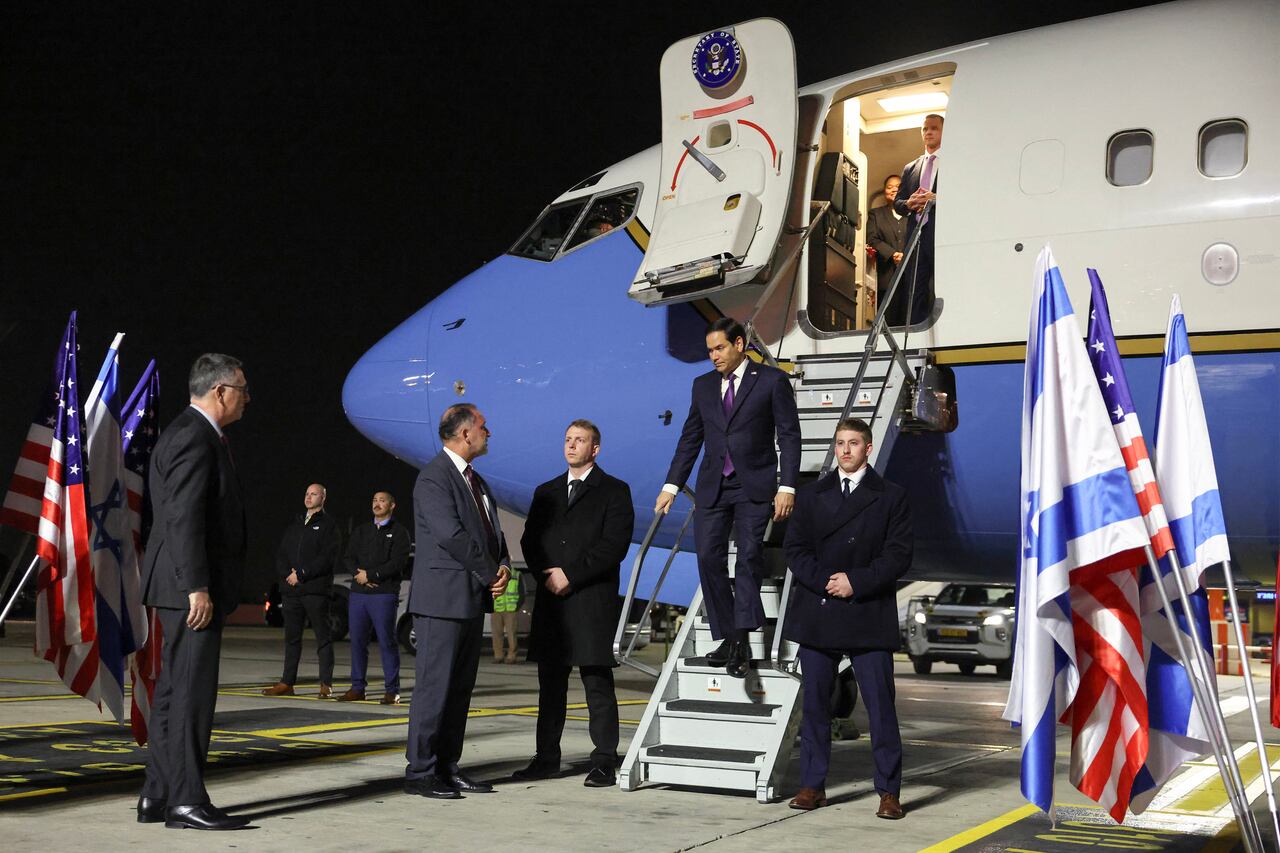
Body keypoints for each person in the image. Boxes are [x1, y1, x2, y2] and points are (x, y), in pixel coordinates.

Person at [136, 353, 250, 830]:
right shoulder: (194, 437)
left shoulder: (192, 434)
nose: (247, 398)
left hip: (179, 586)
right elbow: (182, 519)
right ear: (220, 391)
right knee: (191, 697)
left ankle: (158, 795)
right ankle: (185, 801)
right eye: (243, 388)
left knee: (173, 694)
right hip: (188, 591)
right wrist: (197, 587)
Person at [656, 317, 801, 679]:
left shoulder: (771, 381)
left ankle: (741, 643)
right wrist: (672, 485)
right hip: (713, 485)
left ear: (739, 344)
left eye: (719, 348)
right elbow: (691, 438)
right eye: (709, 351)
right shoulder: (702, 386)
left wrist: (788, 486)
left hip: (754, 485)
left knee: (749, 556)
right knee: (707, 557)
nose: (713, 357)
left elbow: (789, 435)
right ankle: (732, 634)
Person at [782, 418, 912, 819]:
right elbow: (795, 550)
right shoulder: (812, 494)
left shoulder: (891, 496)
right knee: (816, 707)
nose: (845, 450)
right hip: (820, 610)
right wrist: (827, 581)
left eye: (853, 443)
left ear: (868, 448)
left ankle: (889, 792)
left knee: (881, 709)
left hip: (867, 611)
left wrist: (856, 582)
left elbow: (898, 555)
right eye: (840, 443)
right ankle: (812, 786)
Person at [516, 419, 634, 787]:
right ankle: (546, 757)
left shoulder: (614, 491)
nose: (571, 445)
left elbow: (613, 546)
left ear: (594, 449)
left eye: (579, 440)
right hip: (553, 604)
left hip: (590, 600)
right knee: (550, 687)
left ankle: (603, 760)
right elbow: (529, 541)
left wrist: (570, 574)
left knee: (597, 685)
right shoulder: (546, 491)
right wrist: (546, 575)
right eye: (567, 439)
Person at [404, 403, 511, 800]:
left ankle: (447, 767)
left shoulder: (476, 481)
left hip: (468, 598)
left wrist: (501, 565)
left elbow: (491, 534)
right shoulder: (434, 478)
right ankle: (420, 772)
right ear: (465, 433)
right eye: (483, 426)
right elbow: (450, 534)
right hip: (440, 600)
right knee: (434, 689)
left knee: (459, 690)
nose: (488, 431)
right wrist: (489, 571)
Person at [262, 483, 341, 698]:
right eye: (306, 493)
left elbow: (327, 558)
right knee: (292, 639)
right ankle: (287, 683)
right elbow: (281, 554)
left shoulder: (329, 525)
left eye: (313, 494)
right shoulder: (295, 524)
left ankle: (325, 683)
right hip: (292, 592)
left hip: (315, 591)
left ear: (323, 497)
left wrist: (302, 574)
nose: (308, 497)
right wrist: (288, 574)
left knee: (323, 638)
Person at [337, 490, 411, 704]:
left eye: (382, 501)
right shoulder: (362, 531)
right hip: (359, 594)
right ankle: (357, 687)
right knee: (357, 642)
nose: (377, 504)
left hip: (383, 594)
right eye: (374, 500)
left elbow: (397, 563)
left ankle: (392, 690)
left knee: (387, 642)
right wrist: (358, 576)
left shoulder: (399, 533)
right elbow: (348, 556)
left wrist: (371, 575)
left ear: (392, 505)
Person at [893, 113, 943, 325]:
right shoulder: (910, 167)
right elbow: (898, 203)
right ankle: (914, 331)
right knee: (914, 290)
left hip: (941, 235)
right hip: (915, 235)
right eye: (925, 129)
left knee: (942, 284)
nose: (928, 132)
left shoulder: (955, 162)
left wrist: (937, 198)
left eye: (934, 128)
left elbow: (965, 194)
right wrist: (908, 204)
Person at [866, 174, 908, 321]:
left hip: (909, 277)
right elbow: (871, 238)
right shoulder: (876, 214)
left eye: (898, 187)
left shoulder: (913, 216)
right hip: (886, 277)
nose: (893, 190)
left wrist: (906, 255)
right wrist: (892, 254)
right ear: (884, 191)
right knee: (887, 318)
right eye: (889, 187)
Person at [490, 570, 523, 664]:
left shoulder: (516, 574)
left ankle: (512, 657)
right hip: (496, 609)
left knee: (511, 634)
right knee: (496, 634)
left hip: (511, 610)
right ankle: (498, 656)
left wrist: (517, 606)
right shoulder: (493, 573)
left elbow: (522, 592)